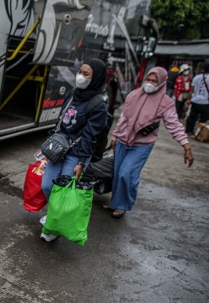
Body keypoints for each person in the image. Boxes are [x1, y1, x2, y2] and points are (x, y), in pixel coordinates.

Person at [105, 67, 194, 218]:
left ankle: (123, 205)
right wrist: (115, 137)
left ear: (162, 83)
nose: (150, 83)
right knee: (118, 173)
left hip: (142, 145)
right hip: (122, 141)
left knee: (127, 174)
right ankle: (115, 203)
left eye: (154, 81)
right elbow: (123, 119)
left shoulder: (165, 103)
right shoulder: (133, 95)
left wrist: (186, 147)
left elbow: (174, 125)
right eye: (148, 79)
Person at [39, 58, 109, 242]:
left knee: (65, 191)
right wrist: (49, 145)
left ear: (96, 79)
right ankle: (54, 213)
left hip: (76, 154)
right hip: (59, 149)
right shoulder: (72, 94)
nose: (80, 77)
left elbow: (90, 137)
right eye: (80, 72)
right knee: (47, 185)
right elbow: (60, 122)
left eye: (86, 74)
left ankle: (53, 228)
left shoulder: (98, 105)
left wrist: (81, 163)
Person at [185, 61, 209, 135]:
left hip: (195, 100)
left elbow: (191, 90)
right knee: (204, 118)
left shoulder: (197, 77)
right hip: (205, 102)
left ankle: (189, 131)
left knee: (192, 116)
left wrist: (188, 99)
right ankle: (199, 132)